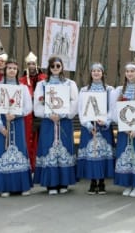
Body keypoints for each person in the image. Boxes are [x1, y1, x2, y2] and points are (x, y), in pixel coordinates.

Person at [33, 56, 79, 195]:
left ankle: (64, 182)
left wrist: (64, 114)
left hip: (64, 122)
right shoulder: (42, 84)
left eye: (58, 66)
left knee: (64, 149)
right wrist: (48, 115)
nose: (55, 68)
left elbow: (74, 102)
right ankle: (50, 184)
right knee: (49, 149)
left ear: (62, 67)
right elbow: (37, 104)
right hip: (49, 122)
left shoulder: (70, 84)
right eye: (52, 66)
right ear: (49, 67)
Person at [0, 58, 33, 197]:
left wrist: (16, 115)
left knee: (19, 152)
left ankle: (22, 186)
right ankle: (4, 187)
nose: (12, 70)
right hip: (2, 123)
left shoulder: (23, 88)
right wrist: (0, 125)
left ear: (17, 70)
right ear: (5, 70)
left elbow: (28, 107)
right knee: (2, 152)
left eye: (14, 68)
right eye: (9, 68)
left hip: (17, 123)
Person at [110, 62, 135, 198]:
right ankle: (128, 183)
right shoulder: (119, 90)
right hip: (124, 130)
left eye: (132, 71)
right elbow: (114, 110)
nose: (129, 74)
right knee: (125, 156)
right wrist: (123, 126)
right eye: (127, 71)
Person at [77, 63, 115, 195]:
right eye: (94, 71)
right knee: (91, 153)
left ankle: (102, 182)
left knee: (102, 153)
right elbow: (81, 109)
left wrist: (106, 121)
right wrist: (87, 124)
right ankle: (93, 182)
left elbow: (112, 108)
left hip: (103, 126)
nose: (96, 73)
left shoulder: (109, 90)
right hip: (89, 127)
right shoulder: (84, 90)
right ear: (91, 73)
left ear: (103, 73)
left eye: (99, 71)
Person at [19, 51, 46, 172]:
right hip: (29, 115)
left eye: (33, 63)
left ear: (37, 64)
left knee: (43, 138)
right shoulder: (22, 80)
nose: (31, 66)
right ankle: (31, 164)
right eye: (29, 64)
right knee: (30, 139)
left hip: (42, 112)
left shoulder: (44, 79)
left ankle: (42, 164)